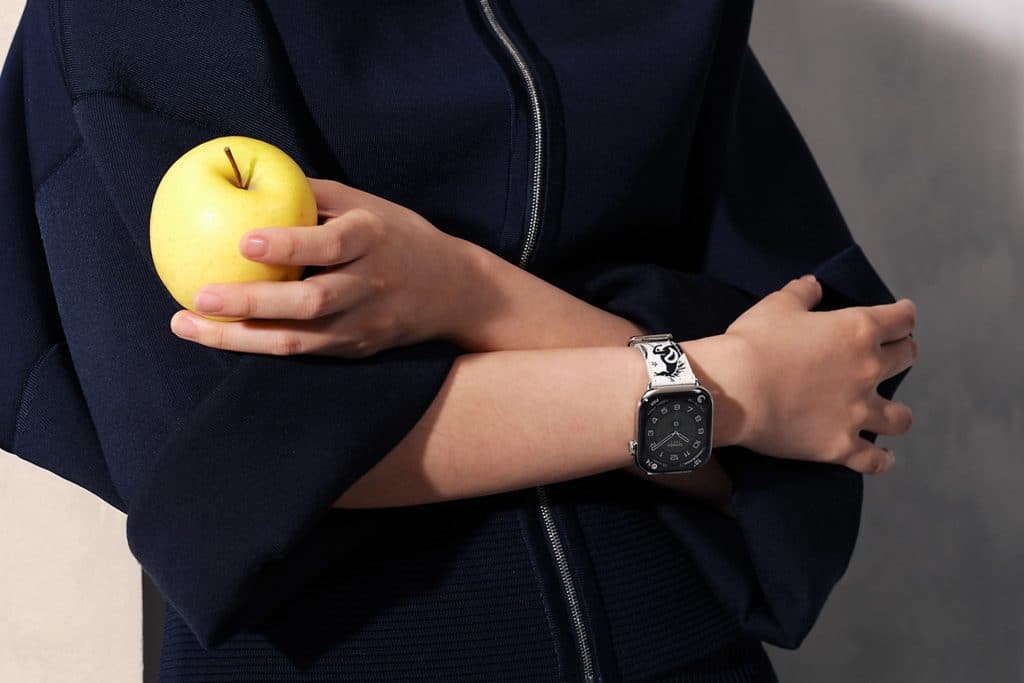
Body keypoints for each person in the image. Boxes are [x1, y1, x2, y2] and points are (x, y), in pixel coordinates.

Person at [0, 1, 915, 681]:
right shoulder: (144, 19)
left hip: (685, 656)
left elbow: (812, 402)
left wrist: (466, 292)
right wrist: (727, 391)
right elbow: (231, 457)